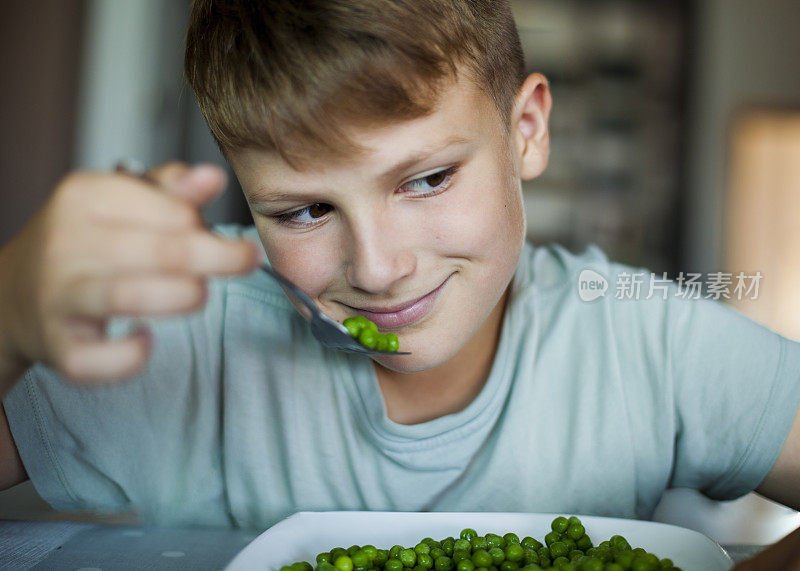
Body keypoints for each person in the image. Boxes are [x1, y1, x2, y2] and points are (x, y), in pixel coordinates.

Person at [0, 0, 799, 567]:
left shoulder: (644, 339)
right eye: (306, 209)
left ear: (527, 131)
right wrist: (7, 314)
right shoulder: (179, 338)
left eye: (426, 179)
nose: (378, 269)